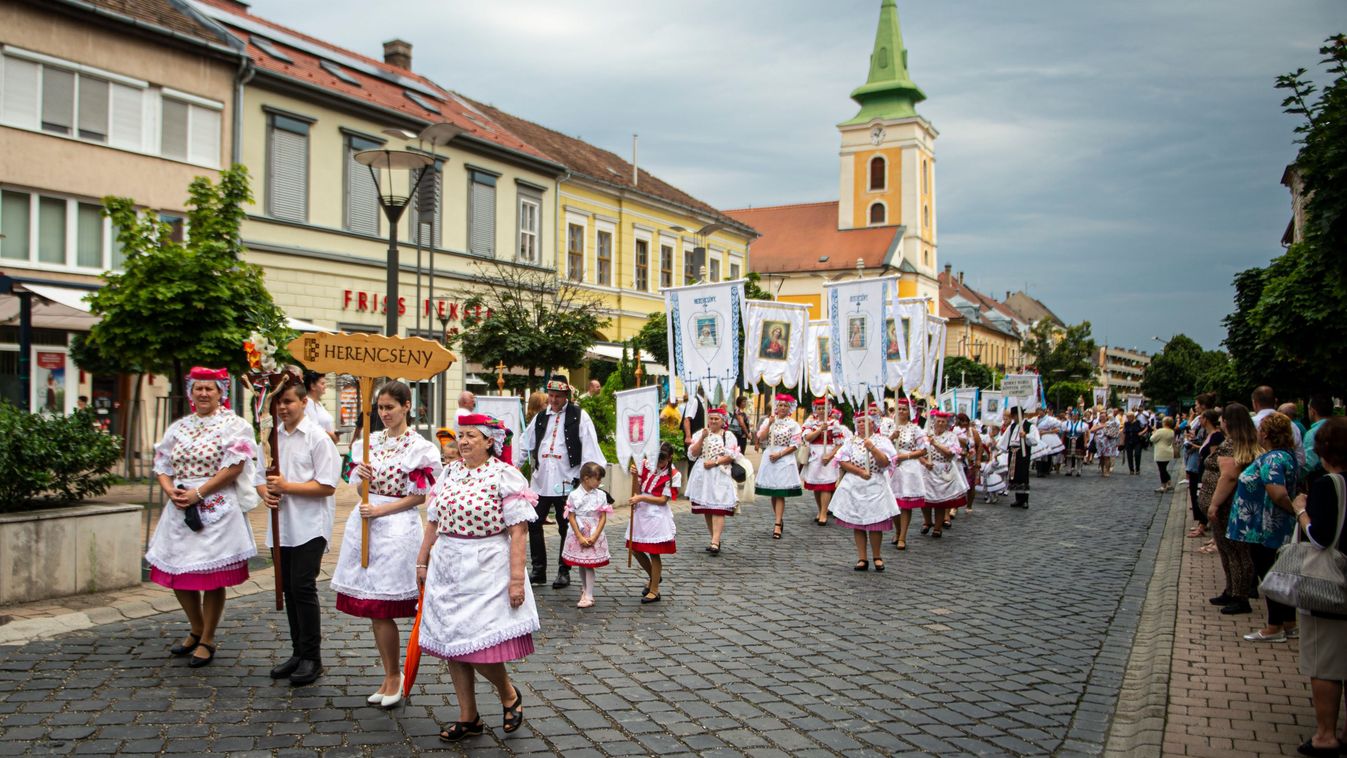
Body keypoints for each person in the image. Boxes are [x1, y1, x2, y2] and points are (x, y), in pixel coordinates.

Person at [415, 414, 536, 743]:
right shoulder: (450, 471)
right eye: (461, 435)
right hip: (449, 565)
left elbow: (518, 531)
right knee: (454, 644)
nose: (464, 441)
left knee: (479, 645)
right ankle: (468, 717)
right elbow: (433, 520)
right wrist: (422, 560)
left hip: (487, 566)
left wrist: (516, 580)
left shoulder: (504, 475)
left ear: (489, 441)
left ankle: (508, 694)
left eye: (471, 436)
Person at [330, 381, 442, 707]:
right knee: (374, 609)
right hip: (366, 522)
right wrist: (361, 475)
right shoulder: (369, 441)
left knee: (382, 606)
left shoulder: (419, 447)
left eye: (390, 407)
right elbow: (353, 484)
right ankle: (390, 673)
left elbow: (419, 496)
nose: (384, 413)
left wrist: (381, 509)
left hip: (395, 525)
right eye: (380, 408)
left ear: (407, 406)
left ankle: (395, 675)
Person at [146, 367, 259, 668]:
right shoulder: (179, 427)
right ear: (190, 392)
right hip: (182, 505)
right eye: (199, 388)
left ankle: (208, 637)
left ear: (221, 391)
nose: (204, 393)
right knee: (181, 574)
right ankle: (195, 627)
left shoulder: (234, 425)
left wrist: (200, 492)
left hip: (217, 505)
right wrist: (171, 490)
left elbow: (234, 466)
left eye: (210, 388)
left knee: (210, 578)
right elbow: (162, 462)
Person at [257, 376, 341, 686]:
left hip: (309, 526)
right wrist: (263, 492)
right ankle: (297, 652)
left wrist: (286, 487)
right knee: (288, 590)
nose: (282, 407)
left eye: (288, 401)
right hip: (281, 527)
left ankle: (312, 657)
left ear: (304, 402)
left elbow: (328, 486)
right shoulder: (271, 437)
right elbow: (258, 474)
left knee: (303, 588)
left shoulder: (317, 438)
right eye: (278, 402)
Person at [1289, 417, 1347, 758]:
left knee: (1325, 662)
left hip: (1330, 581)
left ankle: (1325, 735)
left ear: (1325, 451)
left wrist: (1301, 512)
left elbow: (1320, 536)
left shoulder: (1329, 485)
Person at [521, 376, 606, 589]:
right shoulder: (541, 417)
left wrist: (589, 479)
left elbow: (589, 446)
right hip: (540, 482)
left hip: (567, 480)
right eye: (550, 396)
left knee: (566, 525)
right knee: (533, 522)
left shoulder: (579, 416)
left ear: (566, 395)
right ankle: (538, 570)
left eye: (558, 396)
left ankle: (563, 570)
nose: (553, 400)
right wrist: (512, 468)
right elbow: (525, 443)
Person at [1226, 412, 1300, 642]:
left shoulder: (1273, 459)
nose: (1257, 433)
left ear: (1266, 433)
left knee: (1269, 576)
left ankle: (1274, 627)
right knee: (1275, 574)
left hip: (1265, 526)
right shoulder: (1282, 456)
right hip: (1264, 525)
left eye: (1260, 430)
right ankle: (1288, 623)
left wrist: (1296, 511)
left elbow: (1277, 493)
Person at [828, 410, 898, 571]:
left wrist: (872, 448)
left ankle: (877, 556)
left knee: (875, 522)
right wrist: (859, 472)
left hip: (875, 484)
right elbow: (842, 461)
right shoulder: (851, 441)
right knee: (858, 522)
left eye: (865, 422)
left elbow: (885, 462)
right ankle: (862, 557)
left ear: (873, 424)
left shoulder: (882, 441)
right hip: (856, 484)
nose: (861, 425)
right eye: (858, 422)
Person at [1205, 405, 1258, 614]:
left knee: (1236, 551)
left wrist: (1214, 503)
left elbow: (1228, 476)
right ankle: (1232, 590)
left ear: (1227, 422)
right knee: (1229, 550)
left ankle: (1240, 595)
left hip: (1229, 505)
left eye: (1222, 419)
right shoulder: (1242, 442)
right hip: (1232, 504)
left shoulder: (1231, 445)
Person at [627, 443, 680, 604]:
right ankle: (654, 577)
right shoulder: (645, 464)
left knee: (654, 552)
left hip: (656, 514)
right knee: (634, 549)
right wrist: (635, 476)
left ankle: (654, 589)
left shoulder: (674, 474)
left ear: (669, 458)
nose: (657, 464)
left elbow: (663, 500)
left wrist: (641, 498)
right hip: (641, 511)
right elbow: (637, 488)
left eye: (662, 461)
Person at [684, 407, 739, 554]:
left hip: (719, 473)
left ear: (723, 421)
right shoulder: (700, 434)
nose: (713, 421)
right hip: (703, 475)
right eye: (711, 418)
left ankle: (715, 541)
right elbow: (692, 454)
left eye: (717, 419)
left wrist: (715, 462)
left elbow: (732, 455)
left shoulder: (728, 435)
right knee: (707, 508)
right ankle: (714, 538)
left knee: (718, 507)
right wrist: (702, 438)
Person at [562, 462, 612, 608]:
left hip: (593, 531)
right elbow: (571, 516)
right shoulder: (574, 495)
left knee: (589, 564)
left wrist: (595, 536)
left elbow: (602, 517)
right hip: (579, 531)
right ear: (586, 478)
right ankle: (585, 589)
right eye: (598, 479)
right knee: (582, 563)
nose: (600, 482)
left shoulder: (601, 495)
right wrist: (579, 536)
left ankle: (589, 595)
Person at [755, 394, 803, 540]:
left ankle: (777, 523)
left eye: (785, 406)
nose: (782, 408)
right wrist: (769, 424)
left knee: (780, 491)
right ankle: (778, 517)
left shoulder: (793, 424)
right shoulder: (769, 421)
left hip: (784, 458)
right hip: (770, 456)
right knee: (773, 491)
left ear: (790, 409)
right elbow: (761, 438)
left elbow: (795, 444)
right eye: (780, 405)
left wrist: (780, 454)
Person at [887, 399, 927, 549]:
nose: (902, 411)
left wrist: (906, 456)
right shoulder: (889, 426)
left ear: (910, 411)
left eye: (905, 409)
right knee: (894, 502)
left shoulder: (915, 429)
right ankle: (897, 531)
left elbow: (923, 450)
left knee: (906, 504)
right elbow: (880, 445)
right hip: (892, 466)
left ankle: (903, 536)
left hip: (909, 466)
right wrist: (892, 437)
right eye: (900, 409)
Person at [802, 398, 848, 526]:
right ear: (815, 409)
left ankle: (824, 512)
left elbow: (840, 443)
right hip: (814, 454)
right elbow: (807, 438)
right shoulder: (811, 423)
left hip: (828, 453)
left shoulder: (834, 423)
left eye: (824, 408)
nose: (822, 410)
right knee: (816, 485)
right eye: (819, 408)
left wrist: (830, 455)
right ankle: (820, 509)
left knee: (826, 485)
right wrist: (819, 429)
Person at [921, 411, 967, 535]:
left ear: (947, 423)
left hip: (943, 469)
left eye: (943, 421)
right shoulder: (926, 435)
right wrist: (925, 462)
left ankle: (937, 527)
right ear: (934, 422)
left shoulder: (951, 437)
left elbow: (950, 453)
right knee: (925, 499)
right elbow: (918, 452)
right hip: (927, 469)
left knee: (941, 501)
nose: (940, 423)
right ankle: (927, 521)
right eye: (938, 421)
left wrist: (935, 443)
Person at [1252, 385, 1305, 469]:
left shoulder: (1250, 424)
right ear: (1275, 401)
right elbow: (1300, 459)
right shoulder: (1291, 425)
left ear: (1254, 403)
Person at [999, 406, 1038, 508]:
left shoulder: (1030, 426)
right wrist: (1000, 449)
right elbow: (1005, 439)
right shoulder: (1012, 427)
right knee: (1014, 474)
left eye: (1015, 416)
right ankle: (1018, 498)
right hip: (1013, 452)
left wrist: (1026, 436)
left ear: (1019, 415)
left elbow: (1035, 440)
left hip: (1023, 453)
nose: (1013, 418)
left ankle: (1025, 500)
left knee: (1023, 474)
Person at [954, 412, 983, 512]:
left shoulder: (973, 432)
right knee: (957, 484)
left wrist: (978, 460)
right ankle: (955, 506)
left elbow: (980, 446)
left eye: (967, 421)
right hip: (958, 461)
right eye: (962, 421)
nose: (965, 423)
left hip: (971, 461)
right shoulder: (954, 431)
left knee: (970, 484)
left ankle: (969, 505)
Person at [1304, 394, 1334, 484]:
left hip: (1320, 481)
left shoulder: (1313, 433)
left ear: (1313, 411)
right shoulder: (1339, 428)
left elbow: (1308, 464)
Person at [302, 371, 338, 444]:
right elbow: (313, 427)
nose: (325, 386)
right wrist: (332, 436)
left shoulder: (318, 403)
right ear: (312, 386)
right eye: (322, 384)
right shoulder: (308, 402)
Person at [1031, 408, 1064, 478]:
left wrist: (1048, 431)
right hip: (1037, 437)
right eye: (1038, 411)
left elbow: (1059, 425)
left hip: (1045, 437)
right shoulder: (1035, 419)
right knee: (1038, 454)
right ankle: (1039, 471)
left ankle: (1045, 470)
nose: (1039, 412)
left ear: (1044, 411)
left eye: (1040, 411)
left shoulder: (1049, 419)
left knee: (1045, 454)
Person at [1061, 409, 1089, 477]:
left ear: (1078, 416)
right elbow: (1064, 433)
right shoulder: (1066, 423)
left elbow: (1084, 434)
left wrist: (1085, 443)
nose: (1074, 417)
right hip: (1069, 440)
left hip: (1079, 440)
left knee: (1079, 457)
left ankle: (1079, 471)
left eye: (1076, 415)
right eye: (1073, 415)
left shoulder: (1083, 424)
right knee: (1068, 456)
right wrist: (1062, 442)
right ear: (1071, 416)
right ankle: (1069, 470)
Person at [1152, 417, 1177, 493]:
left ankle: (1163, 486)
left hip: (1160, 452)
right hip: (1168, 452)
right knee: (1164, 469)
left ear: (1164, 423)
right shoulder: (1172, 431)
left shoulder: (1160, 431)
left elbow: (1152, 439)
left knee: (1162, 470)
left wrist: (1154, 432)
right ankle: (1168, 483)